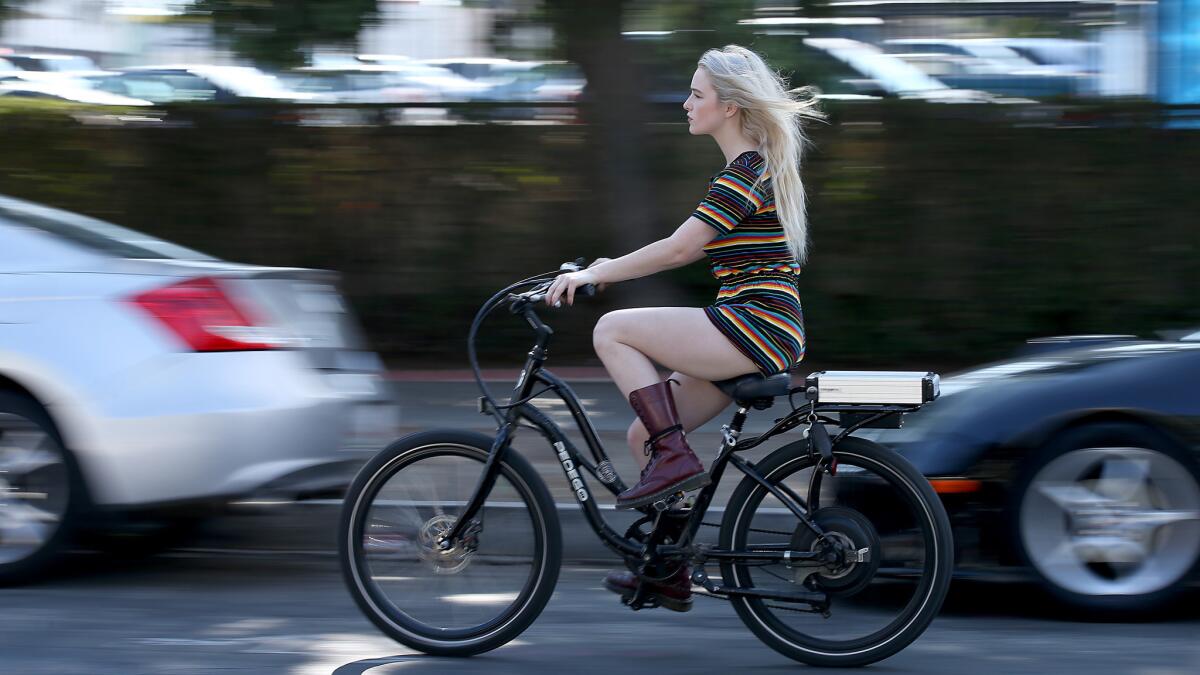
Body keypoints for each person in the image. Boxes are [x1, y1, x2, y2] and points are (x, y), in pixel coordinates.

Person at [543, 45, 824, 611]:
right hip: (761, 328)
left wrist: (599, 273)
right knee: (644, 435)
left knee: (613, 331)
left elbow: (679, 249)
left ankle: (676, 460)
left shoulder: (747, 171)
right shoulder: (751, 167)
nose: (686, 102)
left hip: (755, 325)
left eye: (697, 93)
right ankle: (668, 570)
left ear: (729, 107)